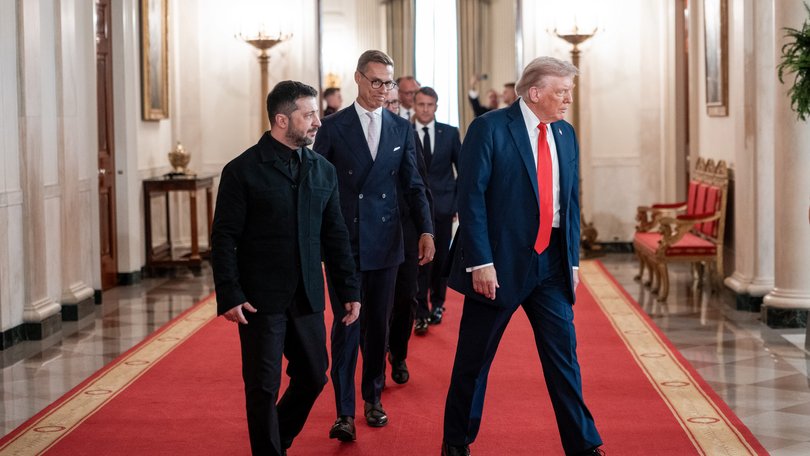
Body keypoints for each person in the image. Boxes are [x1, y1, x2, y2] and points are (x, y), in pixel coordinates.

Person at [442, 57, 604, 456]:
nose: (568, 99)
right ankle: (457, 442)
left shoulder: (565, 133)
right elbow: (471, 197)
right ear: (535, 92)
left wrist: (572, 261)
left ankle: (583, 445)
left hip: (551, 265)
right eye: (562, 91)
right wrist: (480, 262)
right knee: (474, 362)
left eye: (569, 91)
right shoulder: (490, 128)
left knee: (564, 360)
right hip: (498, 266)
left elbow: (570, 202)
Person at [210, 80, 361, 456]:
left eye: (316, 114)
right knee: (263, 385)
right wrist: (229, 293)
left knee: (314, 375)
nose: (318, 122)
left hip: (307, 295)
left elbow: (336, 236)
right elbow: (224, 238)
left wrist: (349, 289)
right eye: (308, 115)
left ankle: (276, 437)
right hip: (259, 298)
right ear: (282, 120)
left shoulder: (323, 170)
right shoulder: (242, 171)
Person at [314, 50, 435, 442]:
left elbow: (413, 184)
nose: (383, 90)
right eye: (377, 81)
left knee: (378, 326)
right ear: (358, 79)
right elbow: (317, 187)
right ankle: (343, 412)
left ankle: (373, 398)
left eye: (389, 83)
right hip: (345, 244)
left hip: (386, 242)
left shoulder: (400, 128)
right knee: (347, 326)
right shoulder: (333, 127)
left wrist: (427, 230)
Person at [385, 86, 433, 384]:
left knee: (406, 298)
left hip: (405, 230)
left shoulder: (406, 133)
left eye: (394, 103)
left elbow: (420, 186)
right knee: (374, 302)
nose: (390, 107)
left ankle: (398, 353)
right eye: (386, 103)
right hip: (369, 232)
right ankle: (375, 362)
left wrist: (427, 230)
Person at [412, 87, 461, 335]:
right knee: (419, 260)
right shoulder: (404, 131)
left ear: (436, 107)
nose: (425, 109)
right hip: (414, 208)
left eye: (429, 105)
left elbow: (462, 170)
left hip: (443, 206)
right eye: (421, 104)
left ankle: (438, 304)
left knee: (441, 258)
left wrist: (457, 205)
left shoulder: (450, 133)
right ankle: (420, 310)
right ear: (414, 105)